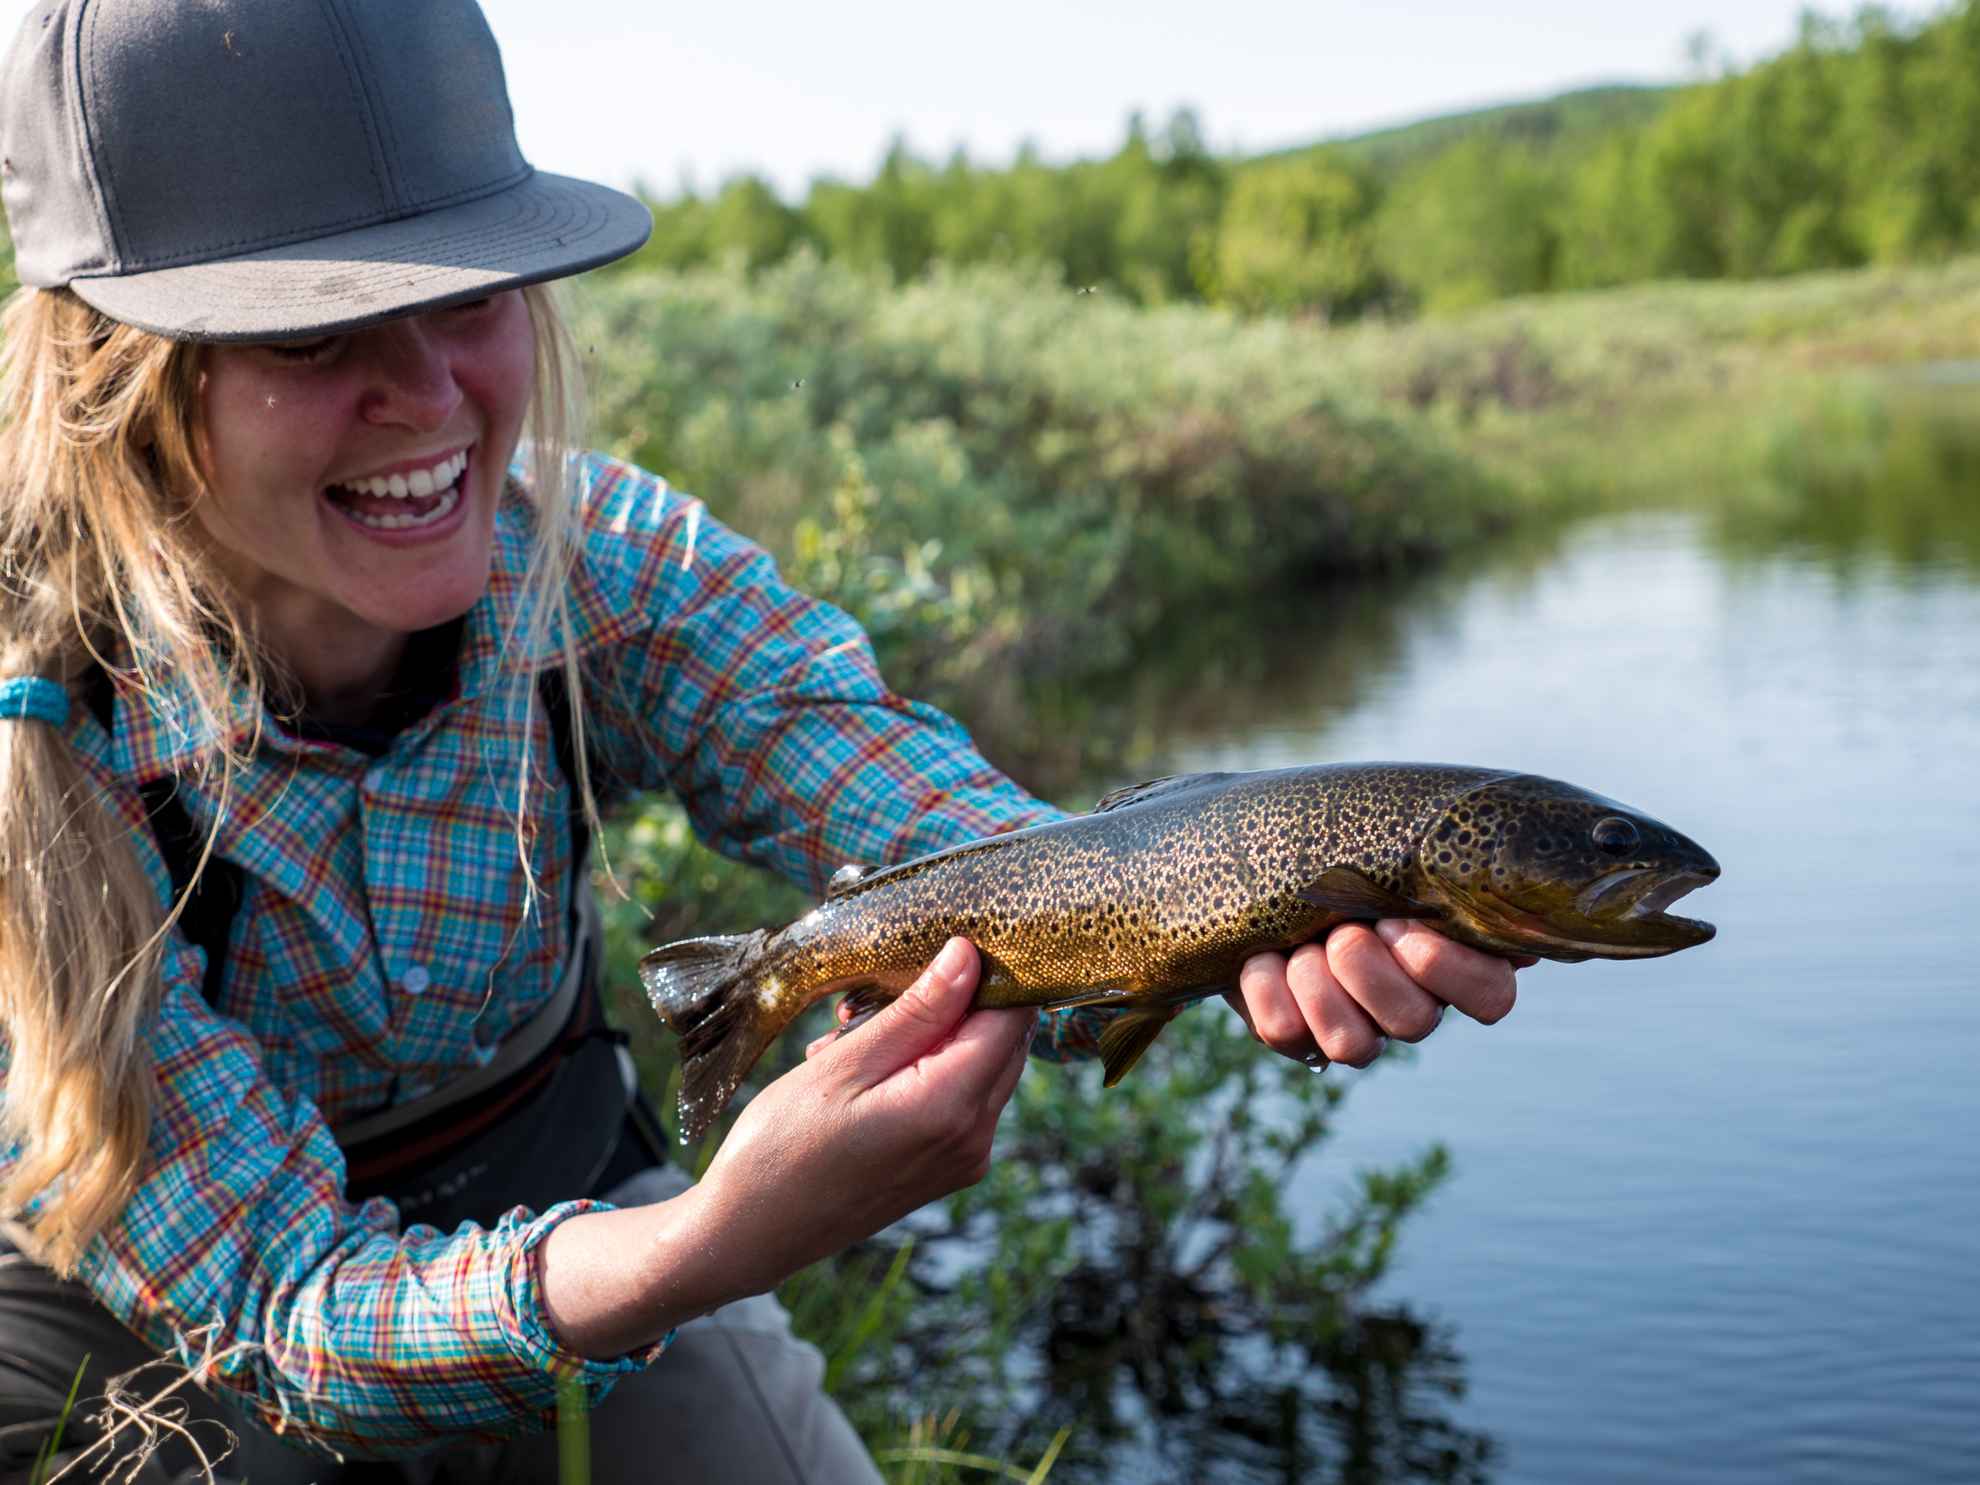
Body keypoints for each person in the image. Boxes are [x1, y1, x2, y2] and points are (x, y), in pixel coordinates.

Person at [0, 2, 1522, 1481]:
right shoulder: (33, 739)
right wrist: (702, 1248)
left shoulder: (604, 568)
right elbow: (283, 1311)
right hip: (136, 1328)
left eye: (469, 293)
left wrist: (1233, 913)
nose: (428, 393)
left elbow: (936, 832)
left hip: (558, 1192)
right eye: (320, 330)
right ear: (113, 379)